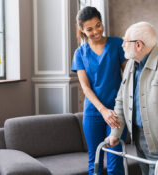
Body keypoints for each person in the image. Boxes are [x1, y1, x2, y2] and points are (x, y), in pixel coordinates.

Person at [71, 6, 127, 175]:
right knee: (94, 161)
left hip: (117, 112)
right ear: (82, 30)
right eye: (89, 29)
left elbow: (128, 77)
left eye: (98, 25)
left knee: (115, 161)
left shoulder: (117, 44)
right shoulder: (80, 53)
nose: (96, 31)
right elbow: (85, 87)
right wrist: (103, 111)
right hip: (93, 112)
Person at [106, 21, 158, 175]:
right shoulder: (131, 64)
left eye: (125, 41)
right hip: (138, 137)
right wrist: (115, 133)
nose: (122, 45)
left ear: (139, 45)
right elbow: (121, 101)